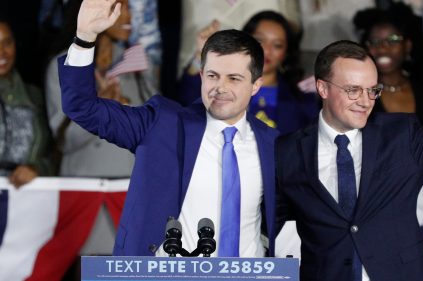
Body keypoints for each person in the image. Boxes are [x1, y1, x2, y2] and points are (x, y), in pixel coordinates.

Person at [275, 33, 423, 280]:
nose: (365, 101)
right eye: (354, 90)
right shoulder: (287, 151)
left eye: (372, 90)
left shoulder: (402, 135)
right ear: (322, 87)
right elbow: (268, 225)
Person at [58, 0, 278, 257]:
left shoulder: (273, 143)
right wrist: (85, 37)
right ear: (201, 73)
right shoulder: (161, 124)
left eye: (234, 78)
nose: (221, 87)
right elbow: (82, 108)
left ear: (256, 85)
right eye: (212, 75)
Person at [46, 0, 155, 179]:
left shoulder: (136, 61)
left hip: (127, 186)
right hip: (83, 188)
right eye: (117, 7)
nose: (129, 16)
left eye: (128, 8)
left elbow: (156, 128)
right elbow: (63, 141)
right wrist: (96, 112)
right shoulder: (66, 64)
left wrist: (126, 110)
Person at [179, 11, 319, 135]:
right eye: (260, 41)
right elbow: (188, 104)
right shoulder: (221, 84)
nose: (267, 50)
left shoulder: (302, 99)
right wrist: (200, 55)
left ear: (286, 53)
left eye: (277, 45)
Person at [354, 5, 423, 131]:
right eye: (374, 42)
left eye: (393, 40)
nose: (383, 48)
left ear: (407, 46)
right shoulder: (361, 96)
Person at [0, 19, 53, 187]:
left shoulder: (35, 96)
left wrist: (37, 169)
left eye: (7, 43)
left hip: (25, 202)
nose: (2, 52)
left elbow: (55, 153)